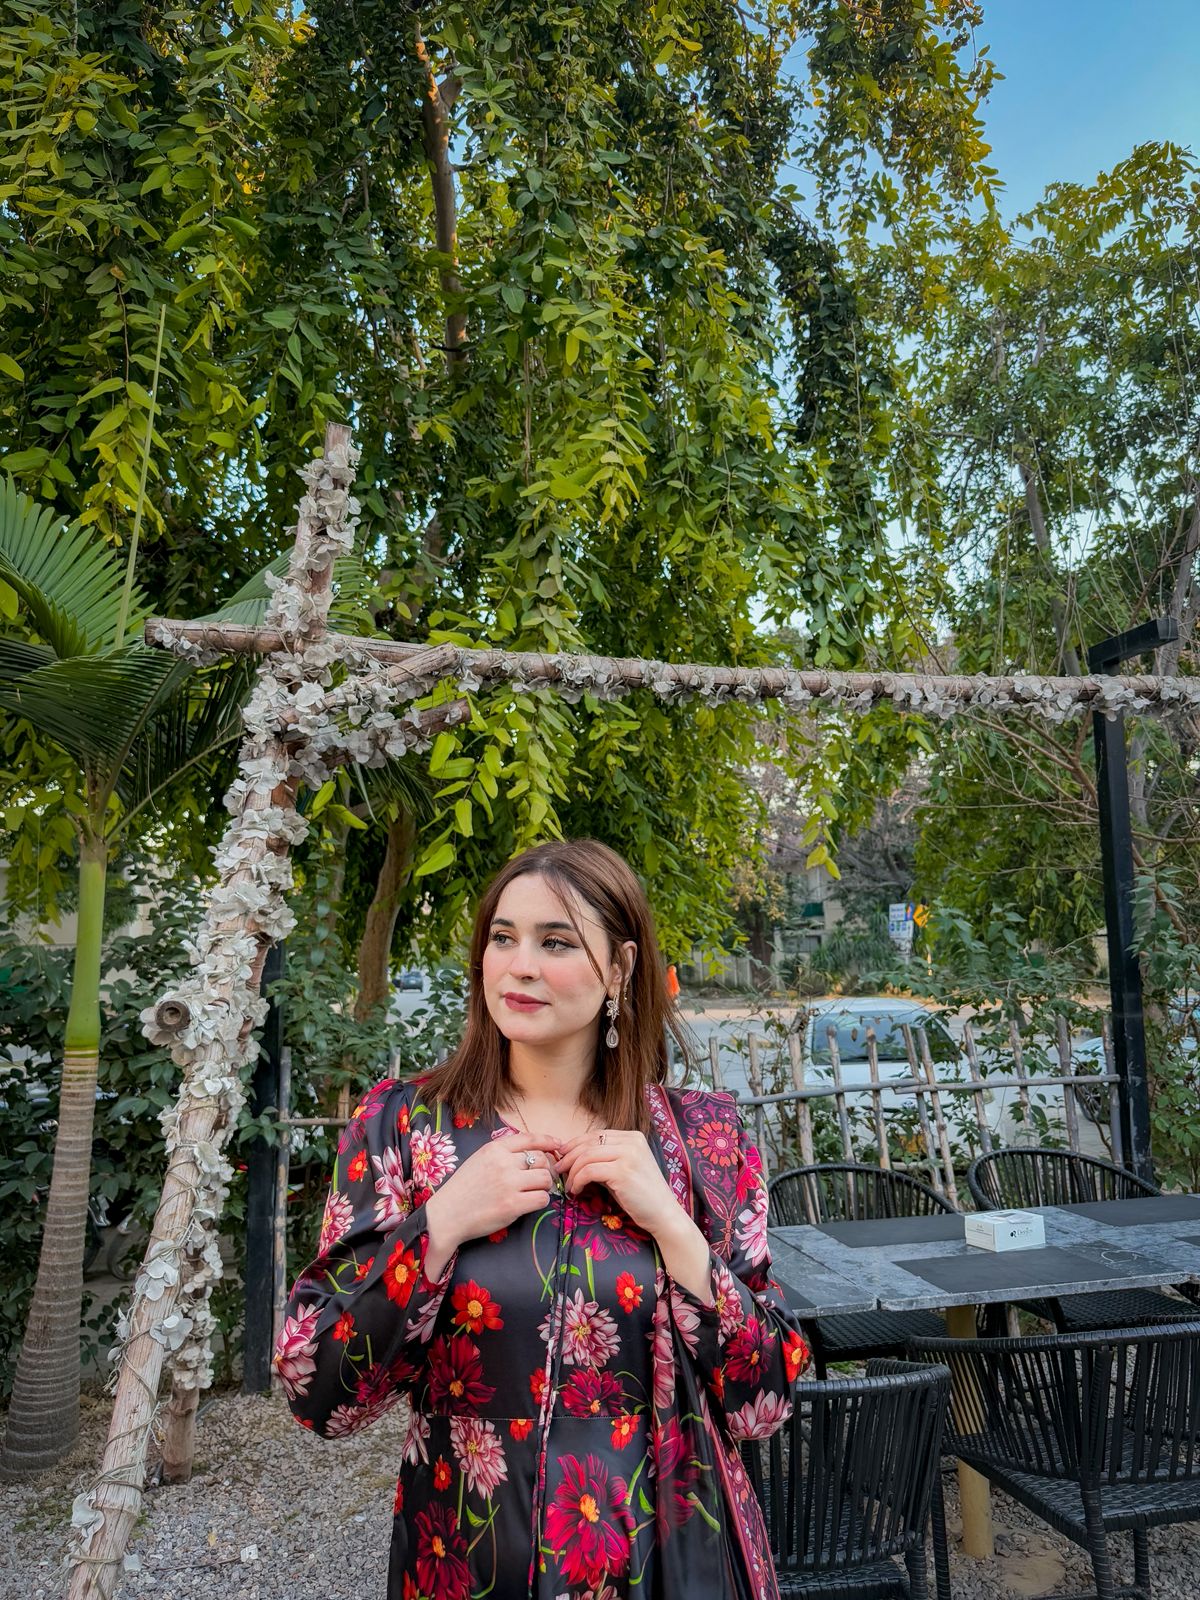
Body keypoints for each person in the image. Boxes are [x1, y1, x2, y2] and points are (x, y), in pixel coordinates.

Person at [274, 839, 809, 1599]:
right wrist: (439, 1224)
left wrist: (673, 1227)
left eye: (555, 942)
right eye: (503, 937)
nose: (519, 965)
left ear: (620, 968)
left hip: (667, 1566)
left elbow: (766, 1403)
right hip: (465, 1562)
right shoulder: (404, 1127)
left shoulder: (704, 1141)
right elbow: (317, 1391)